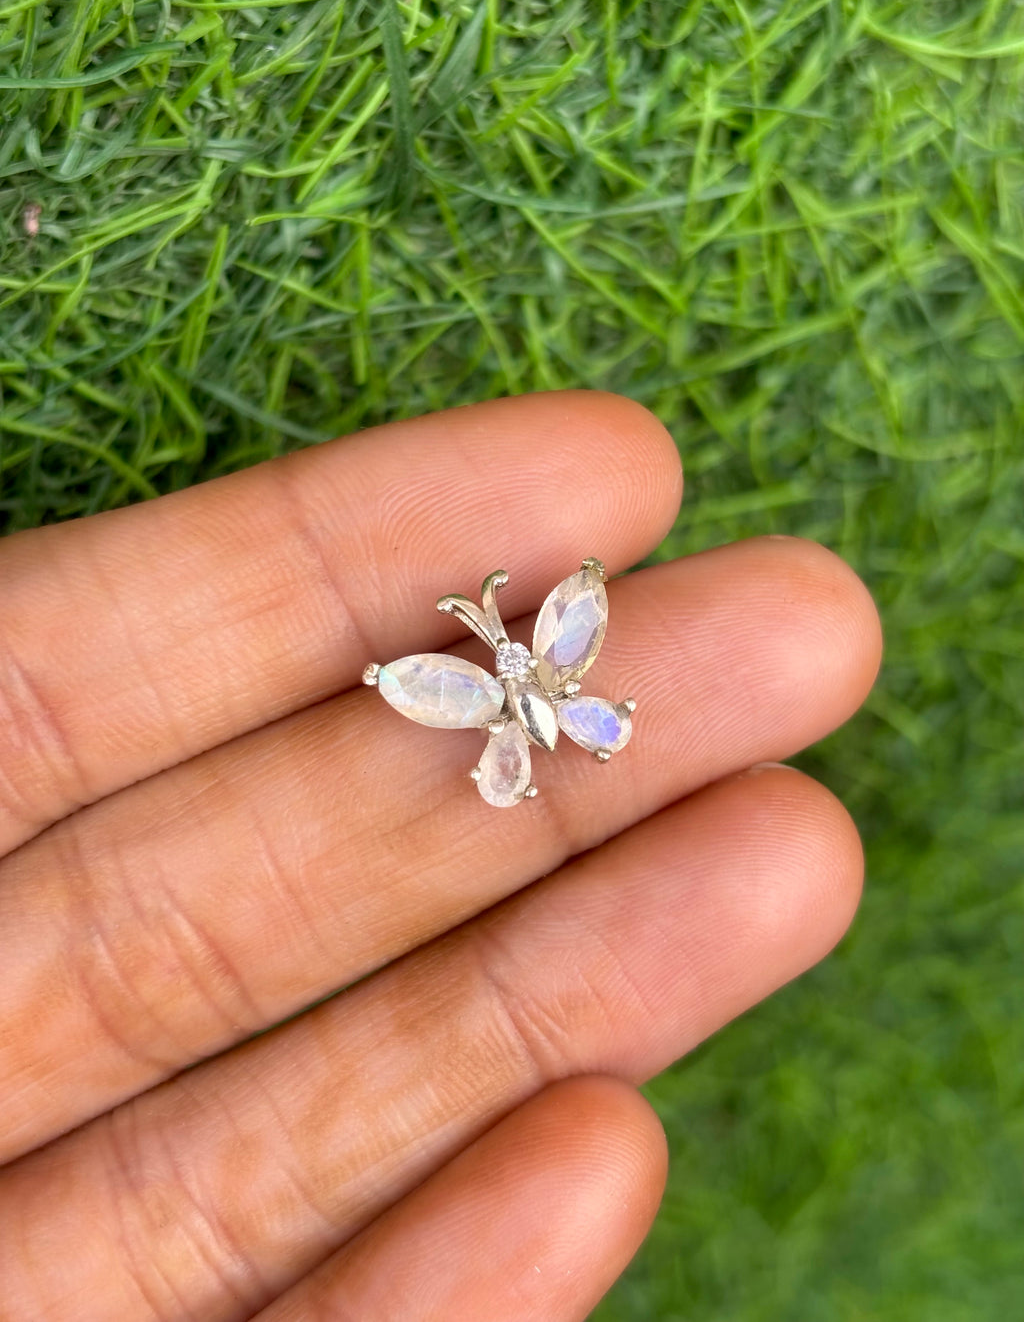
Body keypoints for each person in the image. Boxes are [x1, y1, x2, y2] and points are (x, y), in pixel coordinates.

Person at [0, 391, 881, 1320]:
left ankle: (583, 733)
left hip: (547, 719)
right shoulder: (476, 682)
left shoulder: (546, 650)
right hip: (528, 727)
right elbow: (431, 674)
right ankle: (574, 738)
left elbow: (559, 604)